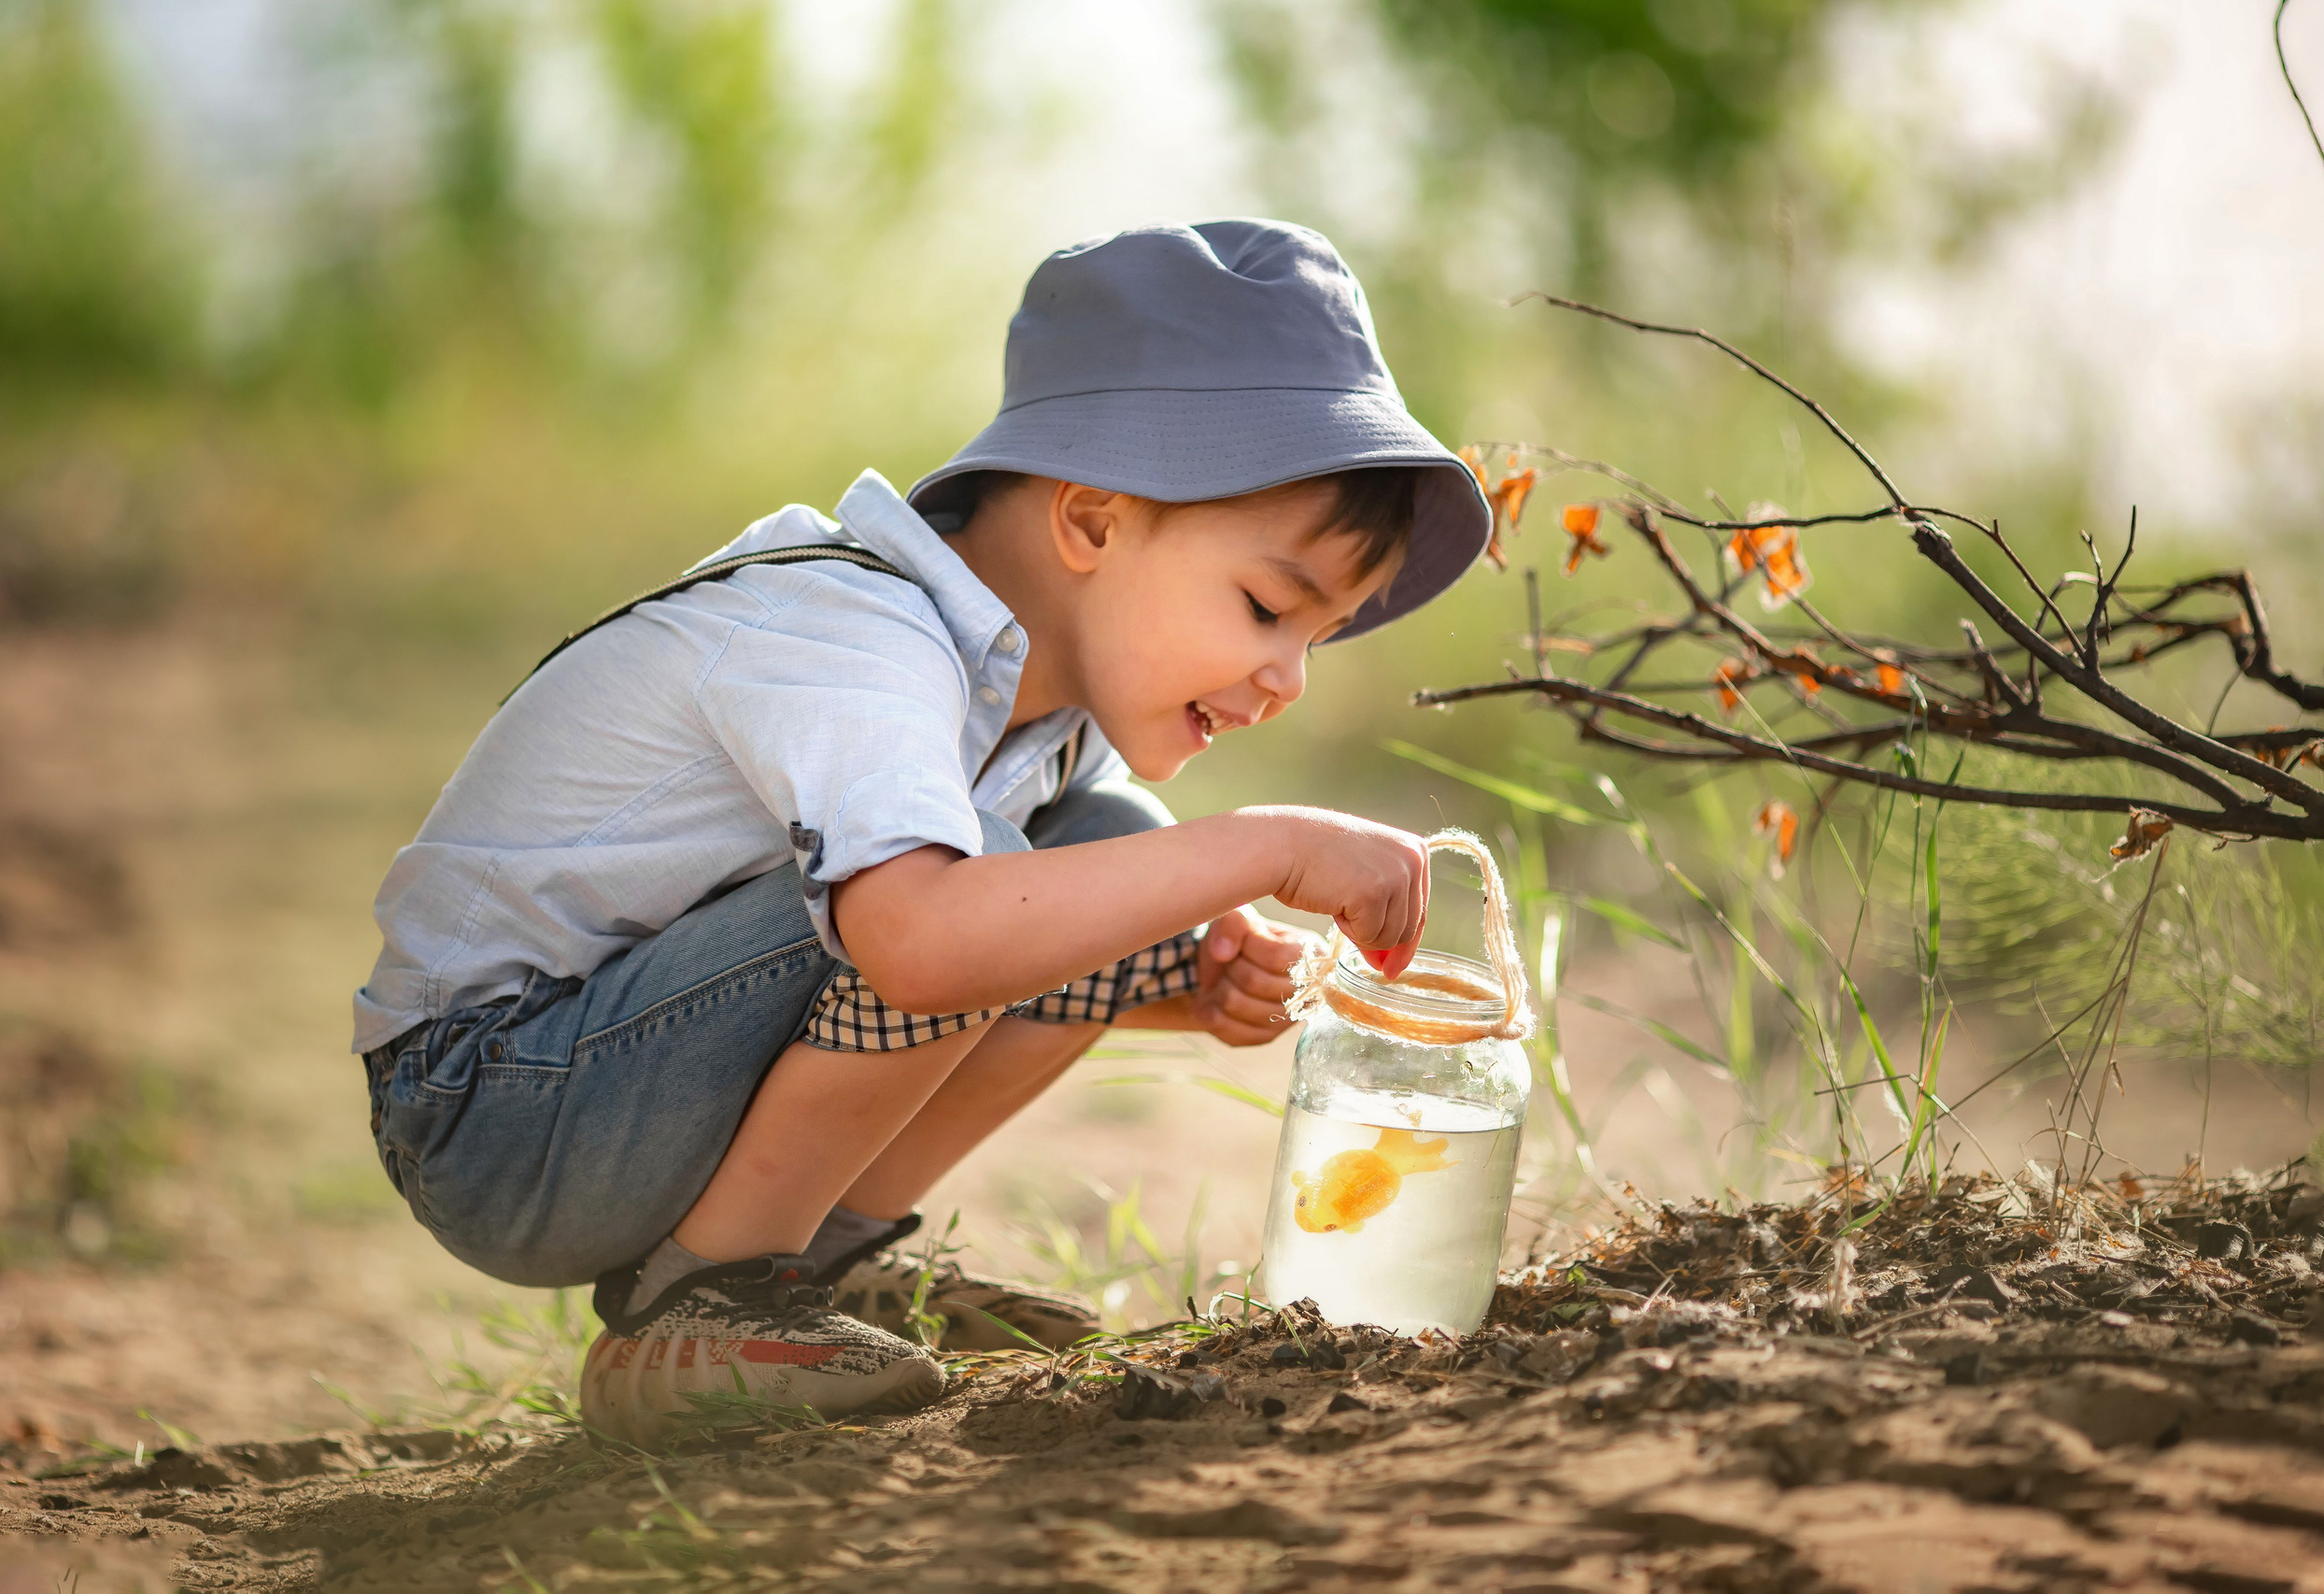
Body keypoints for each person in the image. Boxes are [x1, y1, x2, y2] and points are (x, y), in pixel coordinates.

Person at [352, 219, 1492, 1444]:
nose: (1290, 677)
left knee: (1099, 842)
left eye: (1319, 636)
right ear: (1093, 522)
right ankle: (706, 1301)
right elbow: (923, 948)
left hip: (629, 1073)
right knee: (987, 875)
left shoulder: (1050, 717)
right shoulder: (858, 632)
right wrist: (1264, 846)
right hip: (497, 1103)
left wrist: (1186, 973)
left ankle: (817, 1263)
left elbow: (1007, 947)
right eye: (1269, 607)